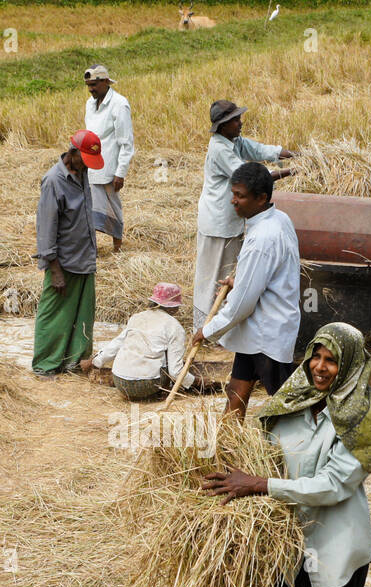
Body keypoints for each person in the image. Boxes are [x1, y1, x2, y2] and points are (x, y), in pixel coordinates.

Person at [201, 322, 371, 587]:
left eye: (332, 360)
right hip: (290, 550)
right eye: (316, 356)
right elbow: (264, 453)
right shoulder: (293, 402)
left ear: (350, 366)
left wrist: (261, 485)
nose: (320, 367)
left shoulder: (360, 419)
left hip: (335, 553)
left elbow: (332, 485)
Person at [192, 162, 300, 419]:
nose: (233, 201)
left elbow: (242, 304)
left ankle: (303, 445)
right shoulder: (278, 219)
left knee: (287, 403)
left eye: (240, 195)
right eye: (233, 193)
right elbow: (262, 277)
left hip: (267, 332)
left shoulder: (263, 237)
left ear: (261, 198)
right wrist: (237, 283)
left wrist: (206, 331)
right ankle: (228, 443)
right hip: (255, 330)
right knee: (236, 390)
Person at [193, 99, 295, 329]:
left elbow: (258, 149)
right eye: (235, 120)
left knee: (230, 275)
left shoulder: (233, 140)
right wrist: (291, 171)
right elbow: (248, 176)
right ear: (222, 126)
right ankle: (203, 327)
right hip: (217, 222)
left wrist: (288, 154)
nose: (240, 122)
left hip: (232, 220)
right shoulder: (219, 148)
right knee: (211, 279)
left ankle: (220, 324)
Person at [32, 129, 102, 377]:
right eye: (85, 160)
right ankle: (46, 364)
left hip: (84, 257)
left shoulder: (82, 173)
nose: (87, 166)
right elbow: (46, 228)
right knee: (54, 317)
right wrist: (55, 269)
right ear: (72, 153)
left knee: (83, 314)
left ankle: (75, 362)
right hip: (63, 262)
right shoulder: (53, 181)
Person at [79, 282, 212, 400]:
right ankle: (157, 394)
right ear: (173, 307)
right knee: (167, 355)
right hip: (148, 385)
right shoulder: (174, 327)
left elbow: (116, 344)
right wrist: (196, 382)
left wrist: (95, 362)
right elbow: (175, 371)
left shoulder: (137, 317)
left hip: (120, 380)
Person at [83, 64, 135, 253]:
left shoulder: (119, 104)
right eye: (88, 85)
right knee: (89, 207)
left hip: (109, 166)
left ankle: (117, 248)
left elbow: (126, 142)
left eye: (94, 84)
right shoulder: (90, 103)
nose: (91, 89)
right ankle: (92, 248)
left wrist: (120, 173)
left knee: (113, 207)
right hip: (91, 164)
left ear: (106, 82)